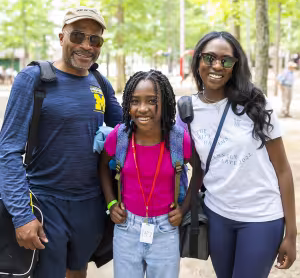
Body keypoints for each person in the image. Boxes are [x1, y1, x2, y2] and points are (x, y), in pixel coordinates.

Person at [0, 7, 122, 278]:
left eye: (95, 40)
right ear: (61, 37)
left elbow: (128, 130)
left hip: (90, 205)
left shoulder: (100, 83)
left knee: (77, 271)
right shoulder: (34, 80)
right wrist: (22, 215)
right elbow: (7, 151)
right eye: (78, 36)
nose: (86, 45)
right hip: (45, 204)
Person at [188, 31, 297, 278]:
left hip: (261, 218)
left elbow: (282, 170)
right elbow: (197, 169)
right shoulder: (188, 110)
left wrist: (291, 235)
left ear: (236, 65)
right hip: (217, 217)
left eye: (226, 60)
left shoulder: (256, 104)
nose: (217, 65)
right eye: (209, 58)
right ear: (198, 61)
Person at [99, 70, 192, 278]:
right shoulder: (121, 136)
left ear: (165, 102)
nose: (142, 109)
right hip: (126, 228)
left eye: (152, 101)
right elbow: (102, 167)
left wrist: (184, 207)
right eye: (135, 101)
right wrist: (111, 203)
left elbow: (201, 171)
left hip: (166, 229)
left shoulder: (178, 139)